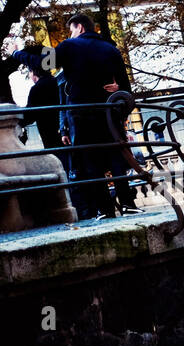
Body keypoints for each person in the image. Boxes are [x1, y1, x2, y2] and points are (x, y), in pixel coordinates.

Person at [5, 13, 134, 219]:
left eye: (71, 30)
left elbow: (42, 62)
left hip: (82, 113)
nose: (70, 34)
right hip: (108, 112)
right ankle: (128, 204)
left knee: (91, 161)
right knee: (115, 156)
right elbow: (126, 89)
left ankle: (105, 210)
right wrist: (119, 102)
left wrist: (16, 53)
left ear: (80, 28)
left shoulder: (70, 46)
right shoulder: (111, 48)